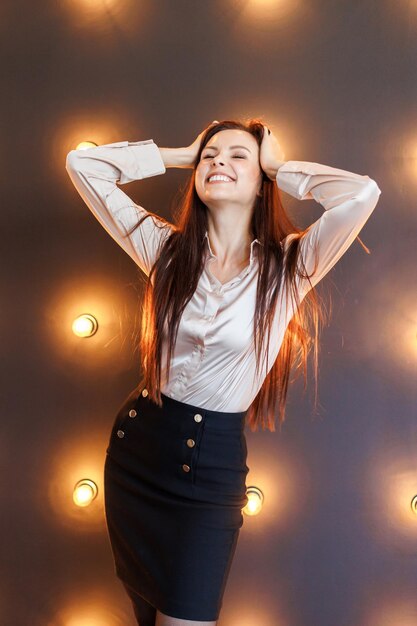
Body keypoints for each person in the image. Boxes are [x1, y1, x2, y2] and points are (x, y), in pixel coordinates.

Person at [65, 119, 381, 626]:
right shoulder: (164, 252)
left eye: (238, 156)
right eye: (210, 155)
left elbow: (361, 194)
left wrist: (279, 166)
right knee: (144, 614)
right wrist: (179, 153)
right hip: (137, 452)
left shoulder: (290, 267)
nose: (219, 163)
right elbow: (82, 165)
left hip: (210, 472)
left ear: (261, 182)